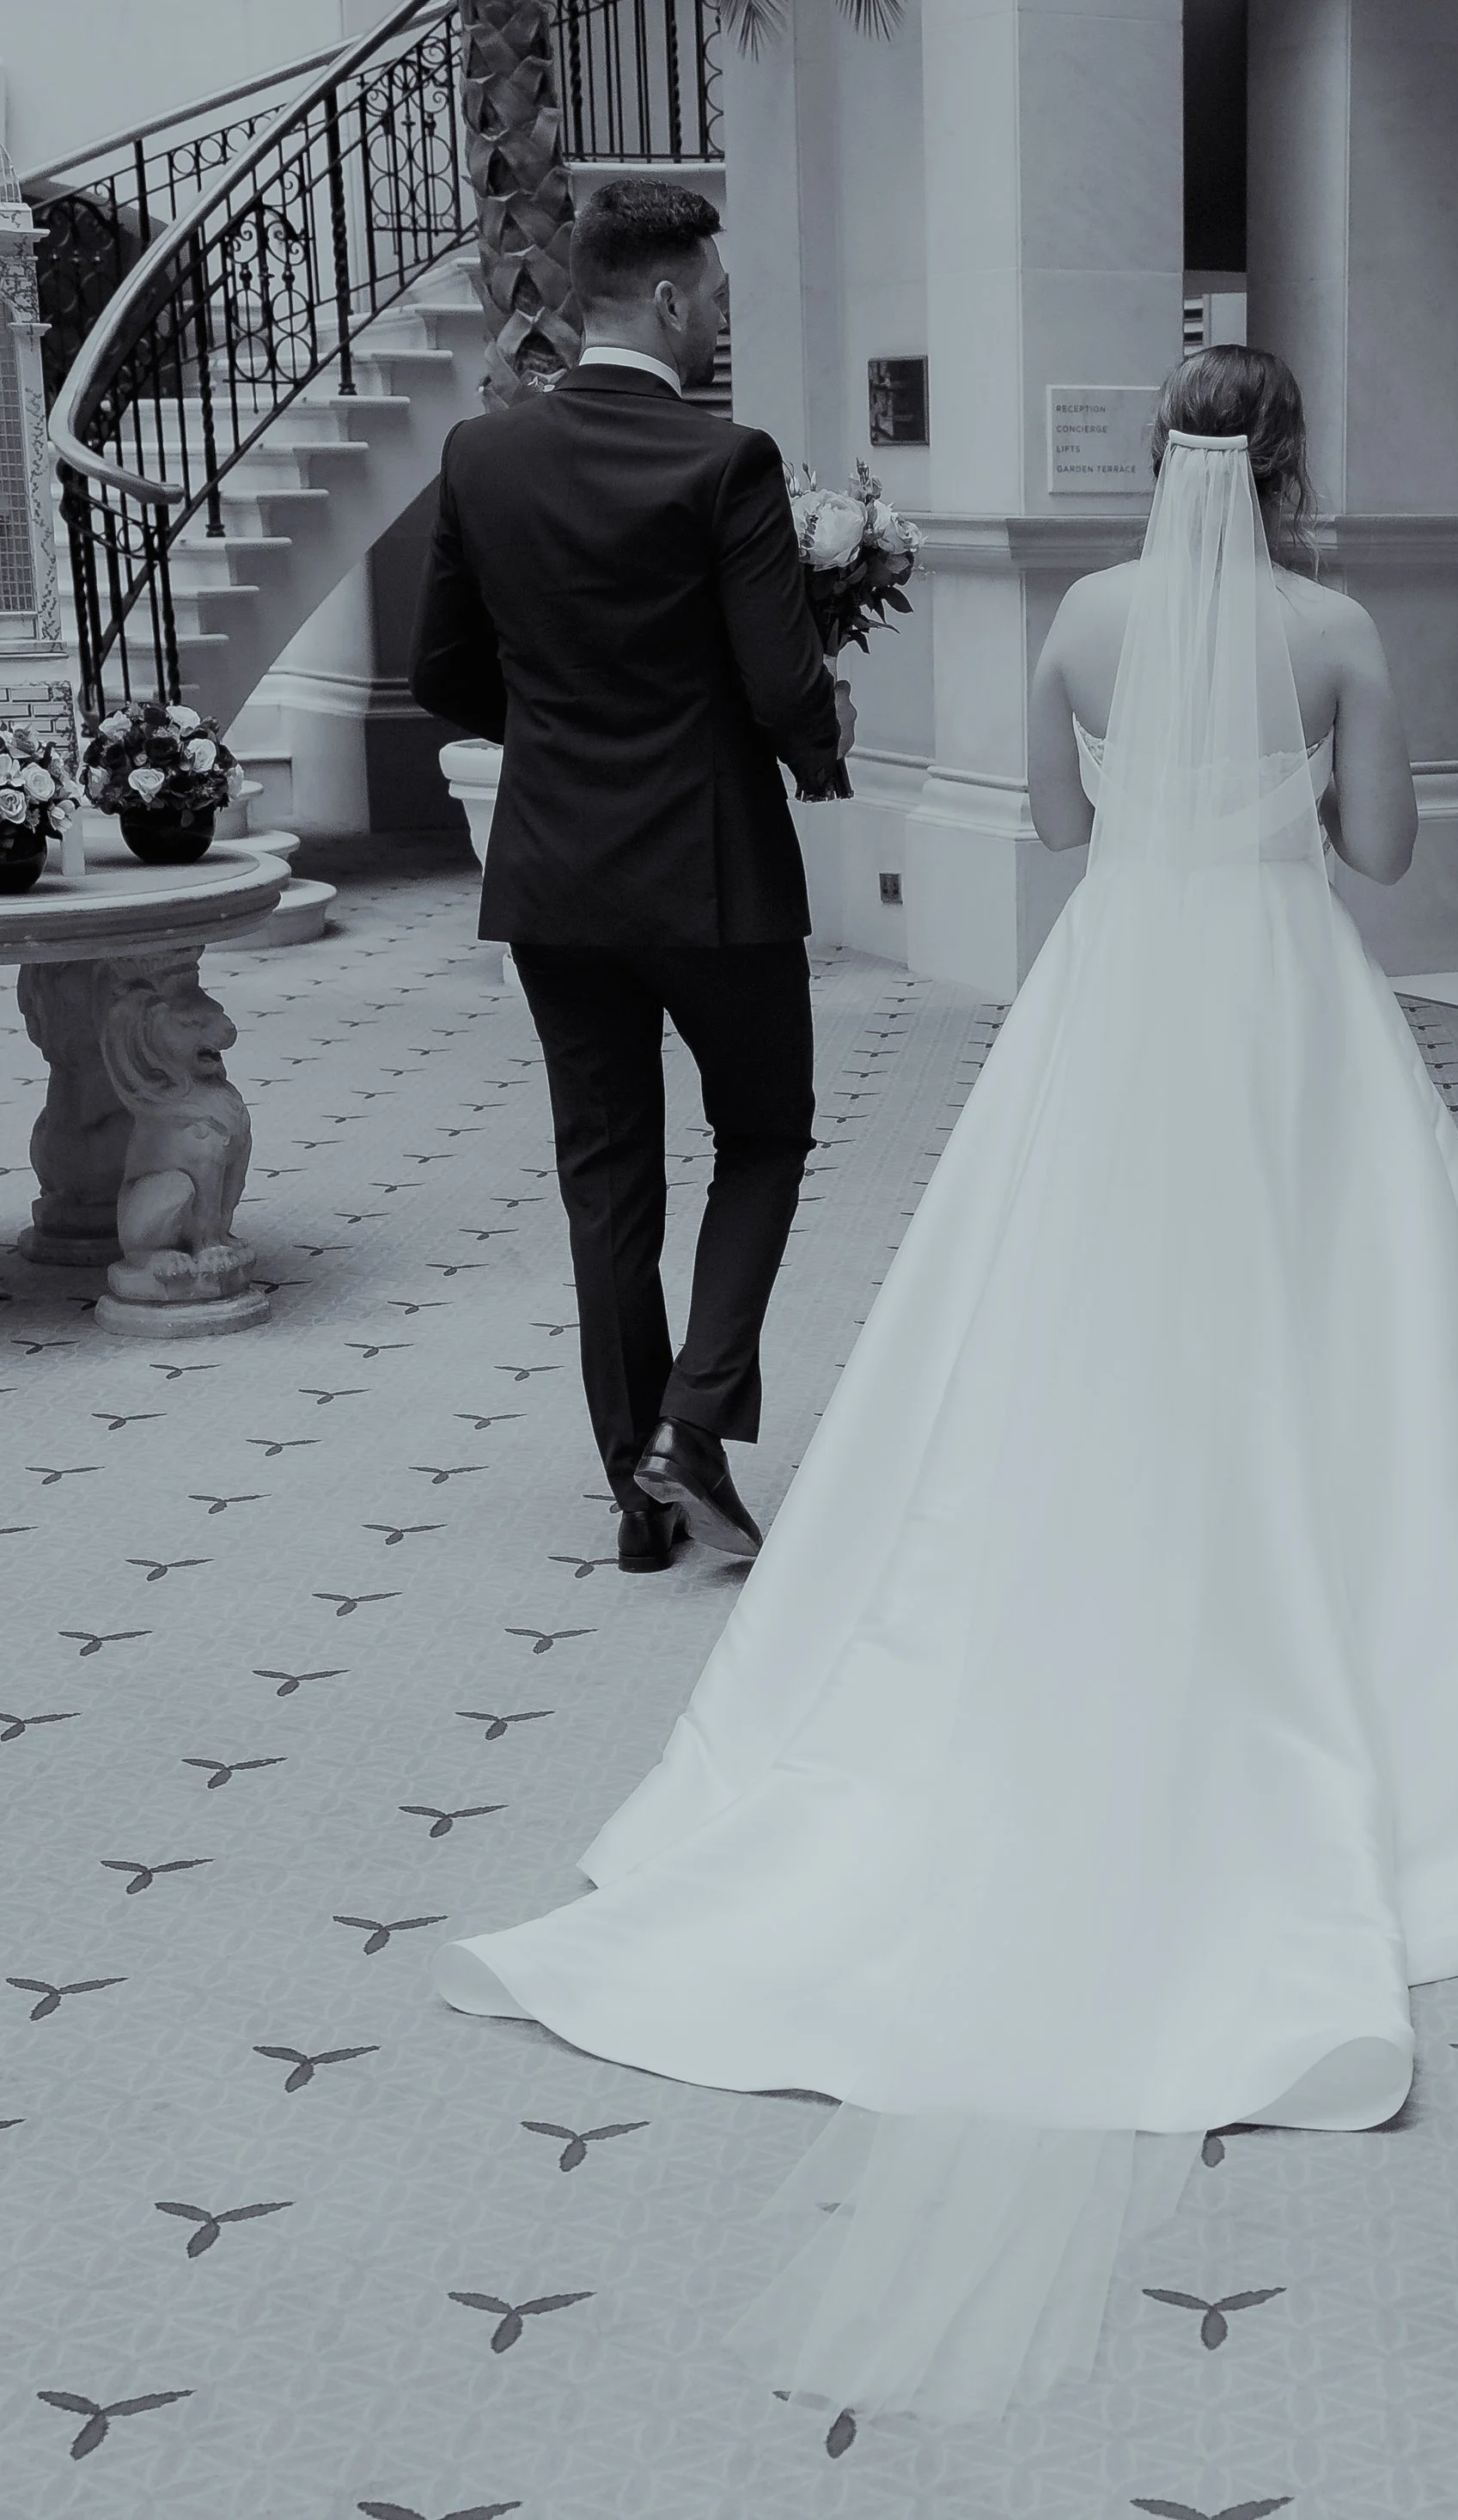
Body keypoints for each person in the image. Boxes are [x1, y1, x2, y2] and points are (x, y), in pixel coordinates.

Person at [432, 346, 1458, 2432]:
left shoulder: (1088, 624)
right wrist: (1307, 771)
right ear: (1293, 465)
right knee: (1344, 1321)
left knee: (1043, 1314)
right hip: (1282, 998)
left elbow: (1050, 823)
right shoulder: (1332, 628)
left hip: (1113, 995)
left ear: (1158, 464)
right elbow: (1382, 858)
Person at [409, 178, 855, 1575]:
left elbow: (441, 675)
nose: (720, 316)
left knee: (606, 1175)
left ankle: (640, 1492)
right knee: (765, 1137)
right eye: (715, 294)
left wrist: (558, 732)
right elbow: (782, 687)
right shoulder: (727, 460)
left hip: (553, 872)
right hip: (709, 869)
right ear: (664, 300)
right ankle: (694, 1425)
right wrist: (821, 729)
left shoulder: (482, 458)